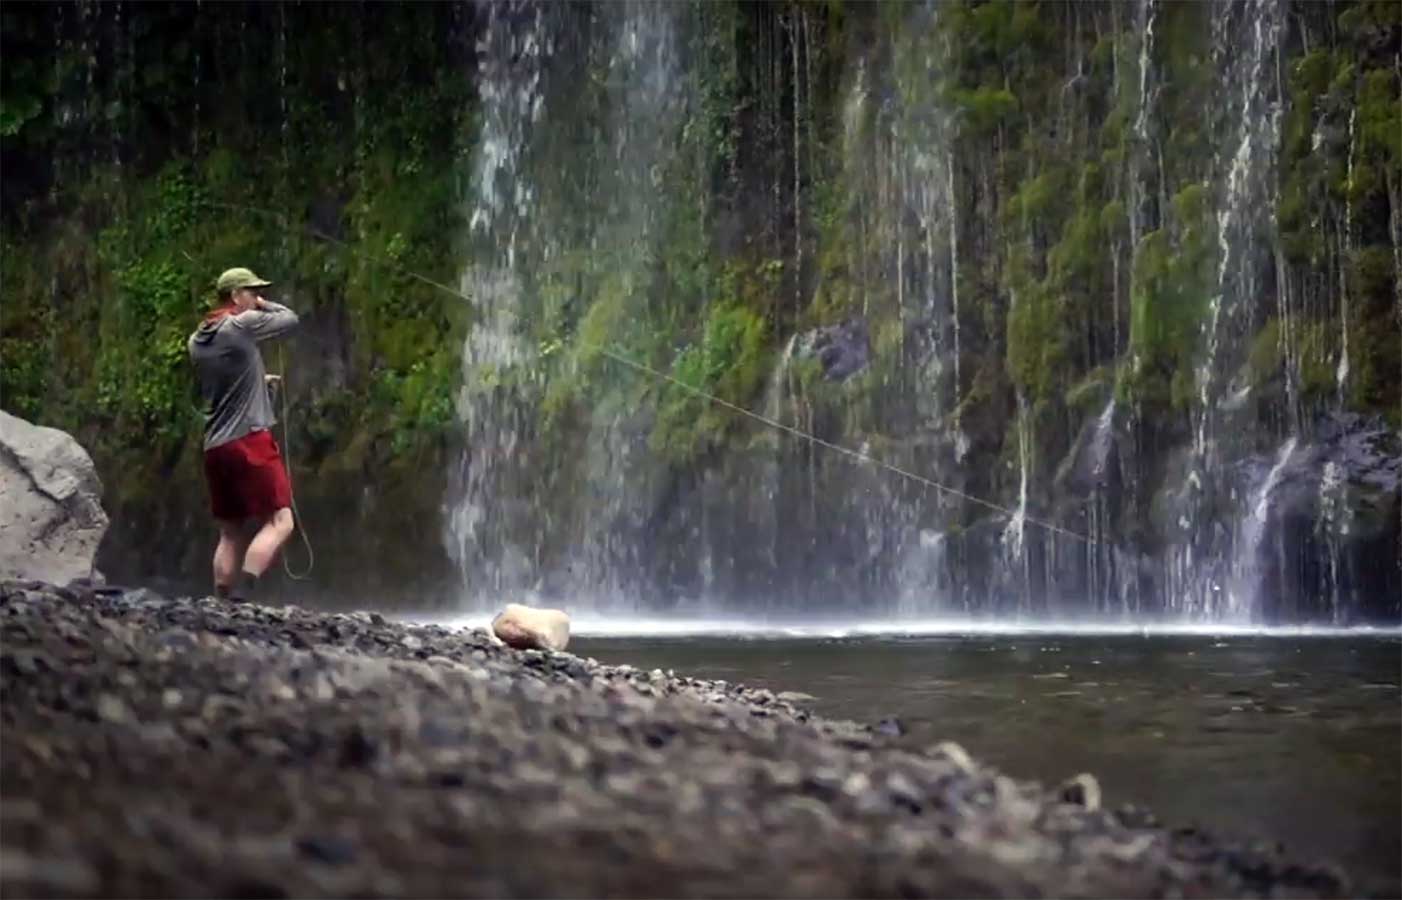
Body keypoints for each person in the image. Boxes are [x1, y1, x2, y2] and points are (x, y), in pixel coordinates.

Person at [188, 267, 300, 601]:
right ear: (235, 297)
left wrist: (258, 383)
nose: (255, 297)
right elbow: (290, 318)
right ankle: (245, 593)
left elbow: (227, 379)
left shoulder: (197, 339)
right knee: (281, 521)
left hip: (216, 446)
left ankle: (221, 598)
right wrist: (264, 305)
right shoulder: (240, 324)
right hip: (249, 441)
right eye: (251, 292)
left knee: (231, 530)